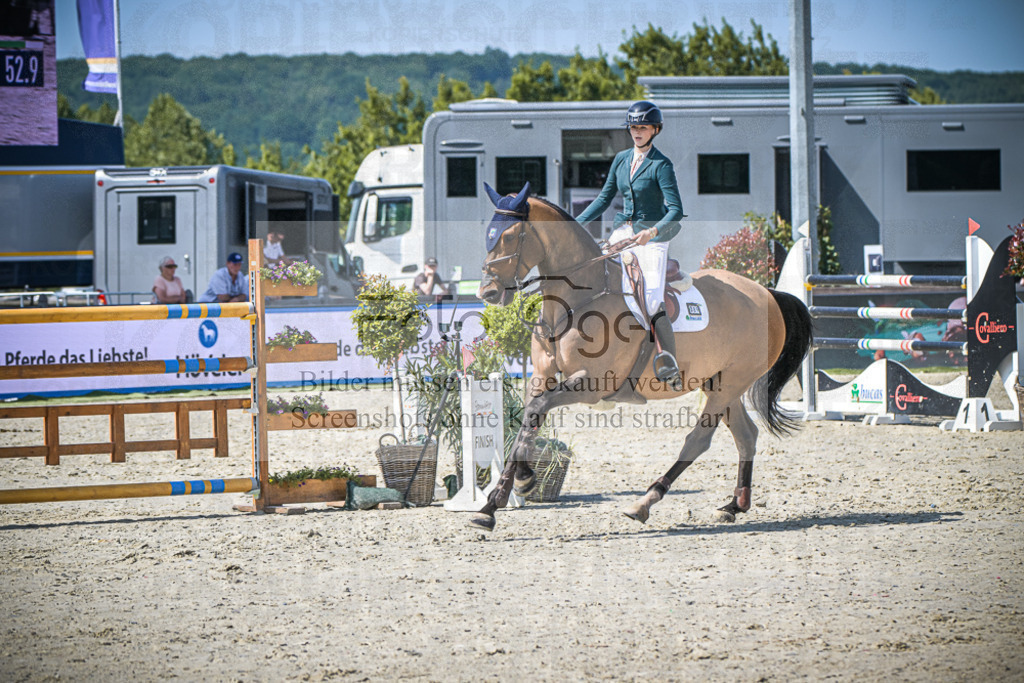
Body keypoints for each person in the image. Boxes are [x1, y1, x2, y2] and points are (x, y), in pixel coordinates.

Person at [575, 100, 685, 386]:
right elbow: (603, 199)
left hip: (651, 237)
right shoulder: (622, 159)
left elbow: (675, 209)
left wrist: (653, 232)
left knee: (650, 298)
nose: (637, 131)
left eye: (643, 127)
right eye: (633, 127)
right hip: (622, 232)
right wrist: (574, 224)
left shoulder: (662, 165)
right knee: (595, 272)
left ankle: (669, 362)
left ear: (654, 129)